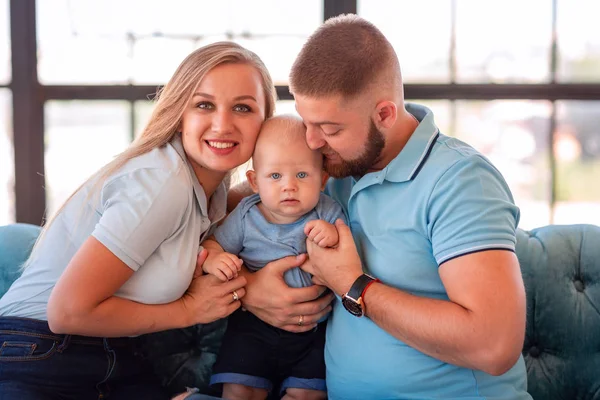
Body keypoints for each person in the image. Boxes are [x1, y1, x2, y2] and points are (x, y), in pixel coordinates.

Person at [233, 14, 532, 399]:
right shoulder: (330, 166)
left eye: (331, 128)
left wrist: (353, 285)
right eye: (307, 123)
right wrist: (252, 289)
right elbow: (232, 206)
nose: (311, 142)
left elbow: (494, 346)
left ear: (385, 114)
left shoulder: (459, 180)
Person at [0, 41, 276, 400]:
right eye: (204, 104)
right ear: (180, 114)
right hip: (40, 352)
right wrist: (189, 310)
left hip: (113, 355)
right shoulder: (162, 184)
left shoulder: (205, 189)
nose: (222, 124)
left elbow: (254, 194)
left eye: (243, 107)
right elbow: (66, 312)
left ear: (265, 124)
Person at [202, 115, 345, 400]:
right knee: (240, 391)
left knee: (307, 394)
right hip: (252, 327)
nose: (289, 186)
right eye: (275, 176)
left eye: (302, 175)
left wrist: (332, 236)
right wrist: (213, 260)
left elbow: (346, 257)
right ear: (254, 181)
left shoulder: (327, 212)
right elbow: (213, 244)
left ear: (322, 179)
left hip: (313, 332)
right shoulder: (246, 214)